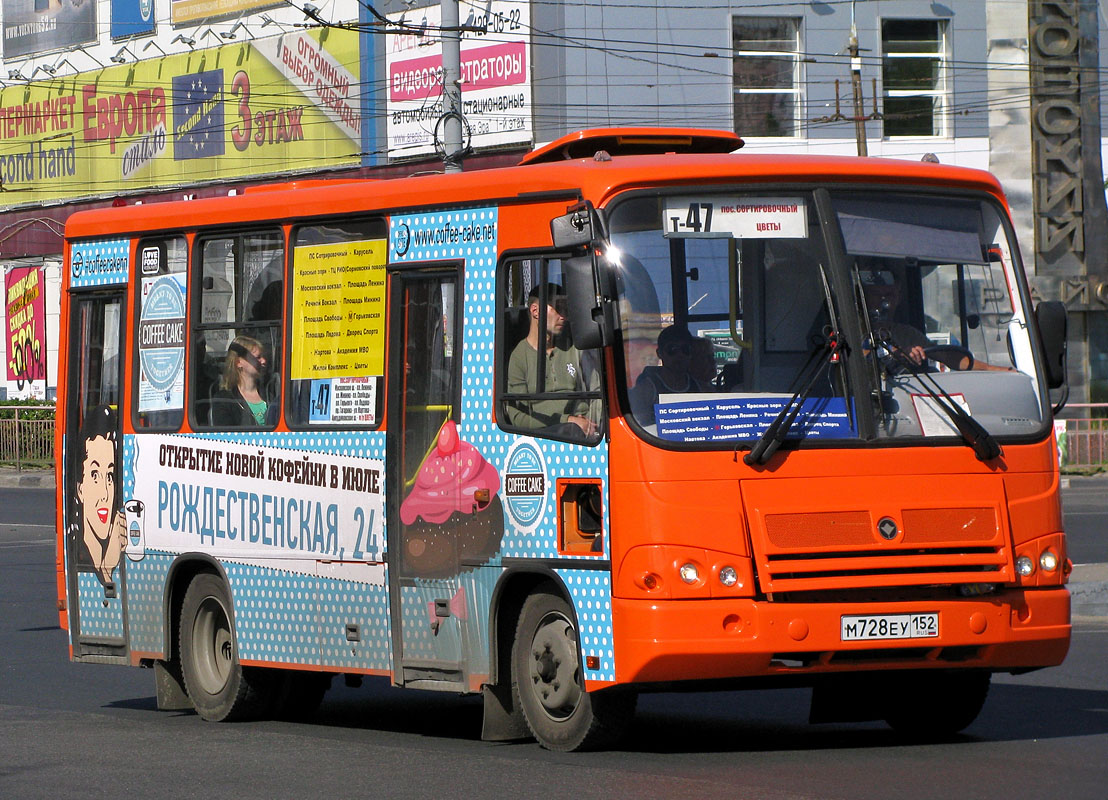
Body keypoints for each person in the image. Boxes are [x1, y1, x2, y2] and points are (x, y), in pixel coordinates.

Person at [859, 267, 1011, 372]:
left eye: (890, 295)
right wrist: (895, 355)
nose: (885, 301)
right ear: (863, 297)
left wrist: (991, 369)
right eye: (876, 295)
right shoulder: (853, 329)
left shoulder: (905, 334)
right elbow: (859, 360)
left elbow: (945, 356)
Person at [505, 283, 597, 438]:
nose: (563, 316)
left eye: (565, 310)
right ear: (535, 311)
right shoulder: (518, 357)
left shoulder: (575, 348)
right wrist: (567, 421)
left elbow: (596, 390)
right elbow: (517, 415)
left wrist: (592, 423)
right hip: (549, 438)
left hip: (589, 434)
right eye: (558, 308)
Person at [70, 405, 127, 592]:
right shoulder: (75, 547)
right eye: (94, 475)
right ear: (80, 489)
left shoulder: (115, 550)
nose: (105, 493)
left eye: (109, 476)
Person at [629, 325, 709, 423]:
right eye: (672, 350)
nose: (680, 355)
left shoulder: (703, 389)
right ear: (659, 353)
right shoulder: (645, 391)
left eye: (685, 349)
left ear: (691, 353)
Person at [211, 335, 278, 426]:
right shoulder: (224, 399)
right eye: (258, 357)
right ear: (238, 362)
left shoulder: (270, 394)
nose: (263, 361)